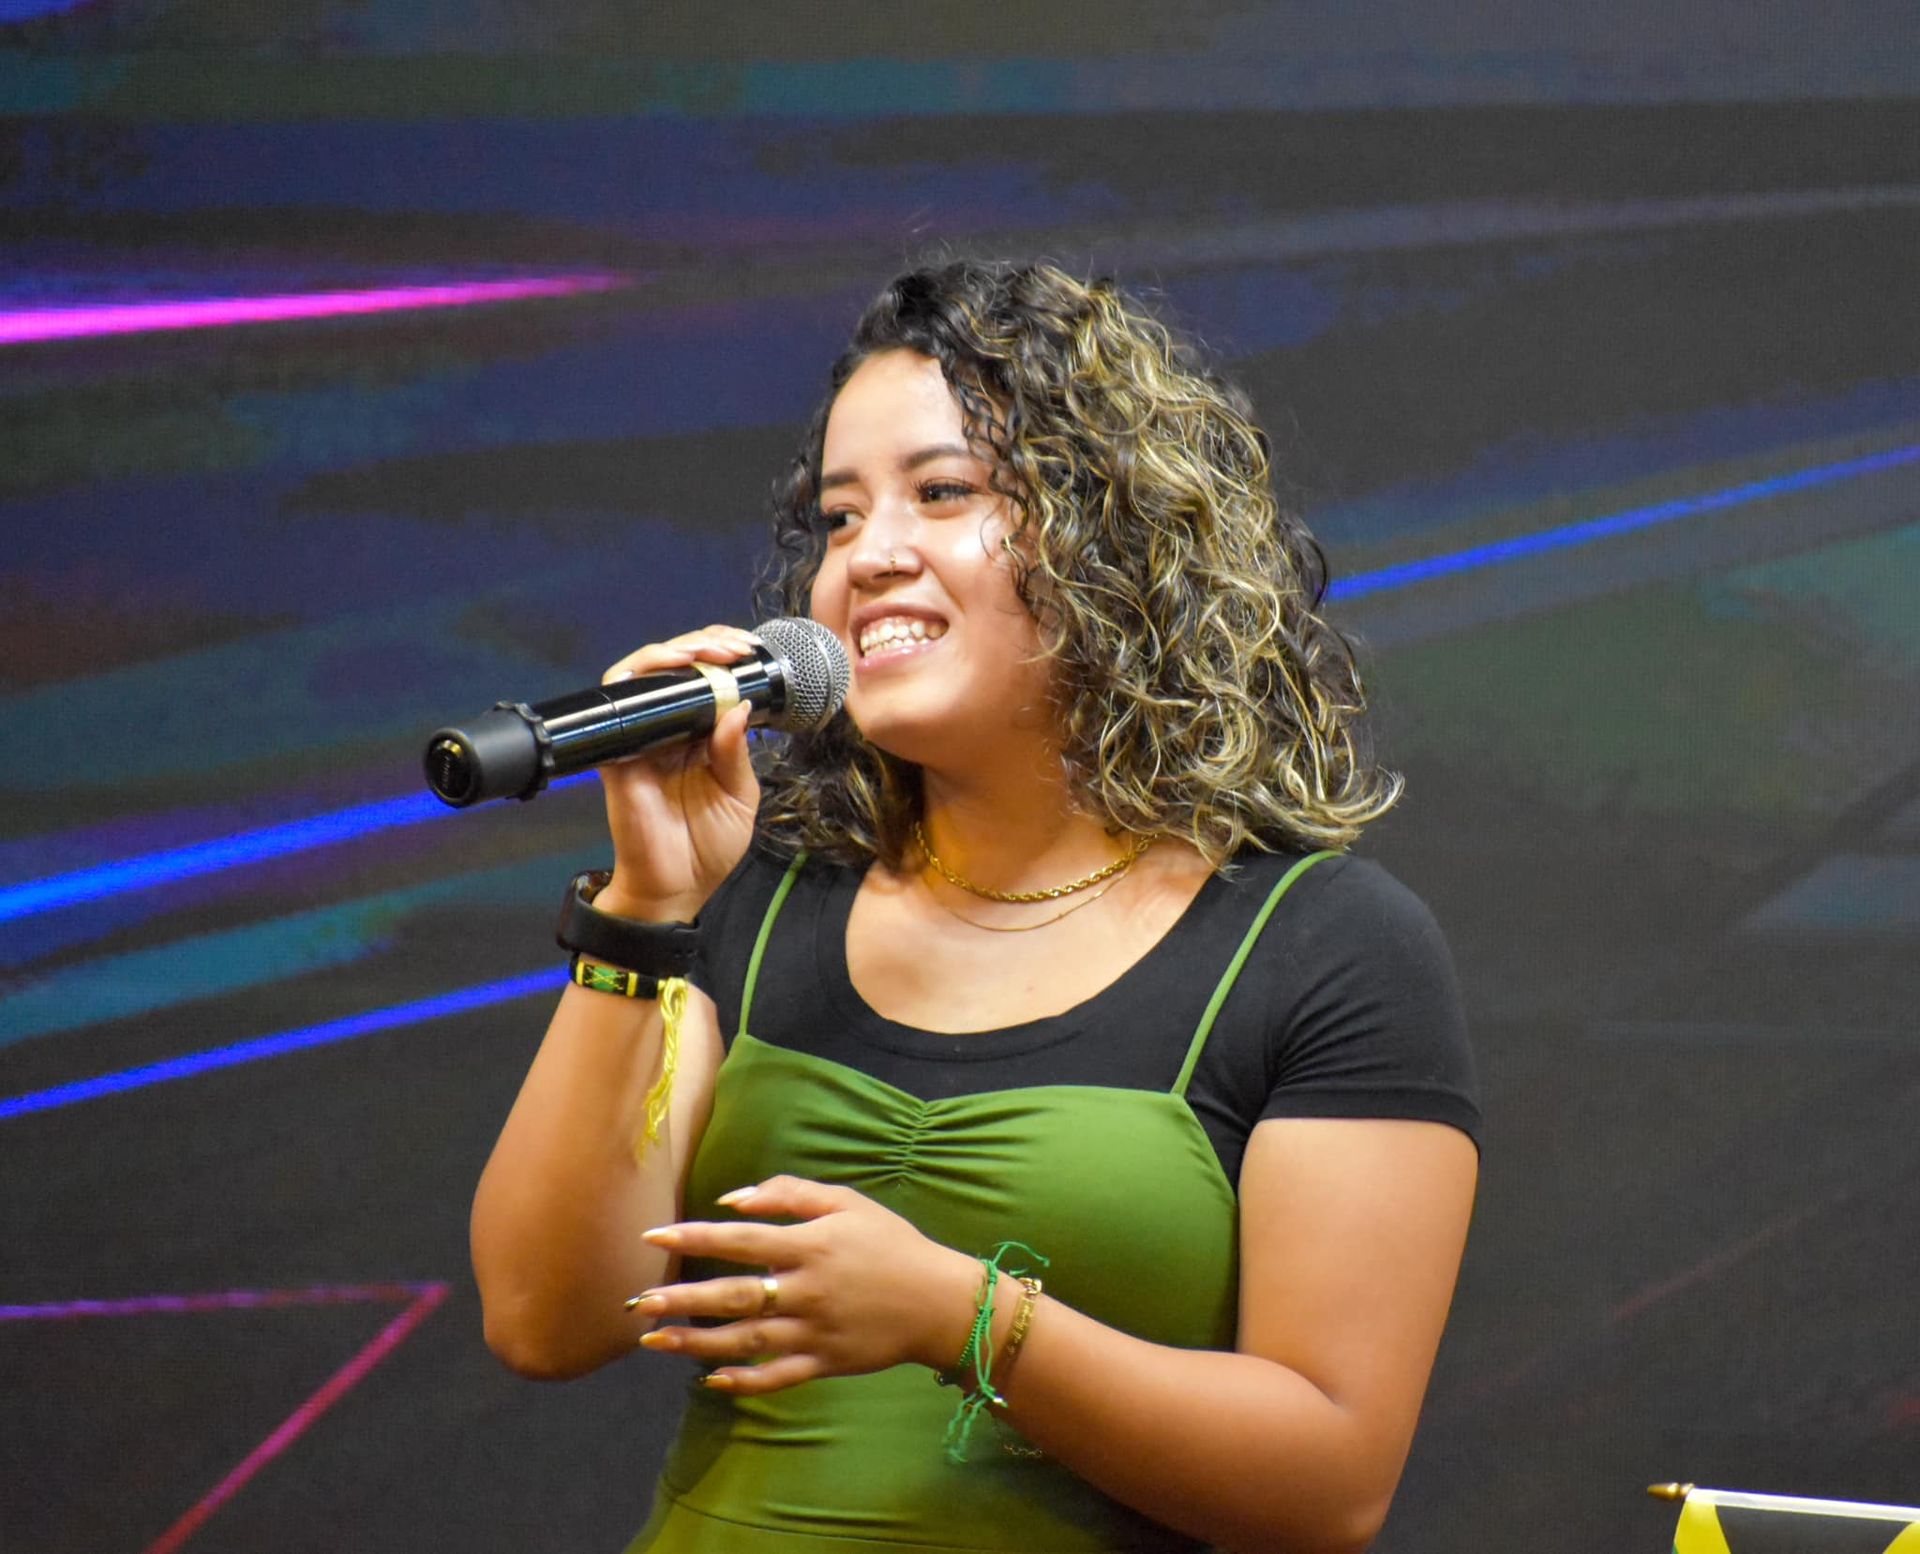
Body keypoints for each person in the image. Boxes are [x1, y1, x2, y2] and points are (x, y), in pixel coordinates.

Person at [470, 259, 1480, 1554]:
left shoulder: (1323, 948)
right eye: (838, 518)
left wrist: (960, 1315)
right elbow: (542, 1317)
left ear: (1117, 539)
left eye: (942, 493)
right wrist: (646, 907)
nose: (868, 557)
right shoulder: (769, 891)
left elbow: (1330, 1483)